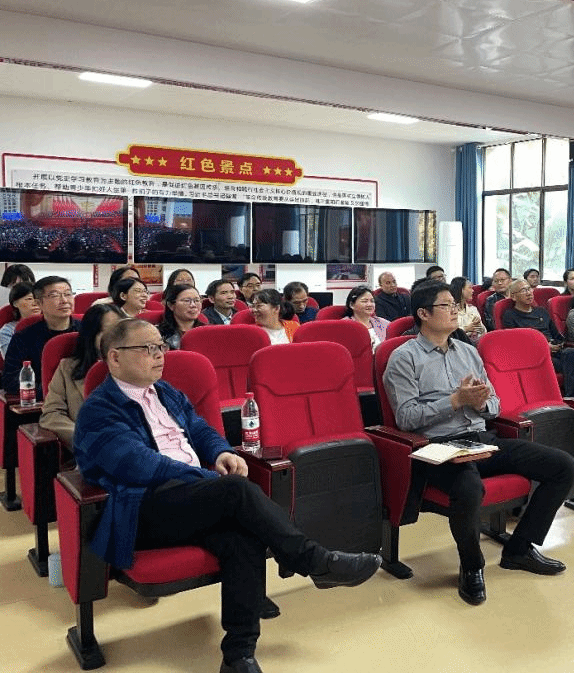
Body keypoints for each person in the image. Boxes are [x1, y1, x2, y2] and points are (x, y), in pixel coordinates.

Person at [74, 318, 381, 673]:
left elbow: (200, 428)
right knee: (234, 490)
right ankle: (314, 561)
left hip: (191, 500)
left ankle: (239, 654)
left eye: (161, 346)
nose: (160, 355)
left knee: (241, 538)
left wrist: (221, 451)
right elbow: (140, 466)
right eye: (148, 348)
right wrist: (208, 478)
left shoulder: (165, 392)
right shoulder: (100, 410)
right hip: (142, 508)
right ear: (114, 357)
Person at [382, 282, 574, 606]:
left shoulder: (468, 351)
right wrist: (455, 401)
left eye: (454, 305)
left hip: (480, 438)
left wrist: (481, 403)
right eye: (446, 306)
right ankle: (472, 566)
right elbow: (405, 418)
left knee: (562, 466)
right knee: (469, 487)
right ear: (423, 314)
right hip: (437, 446)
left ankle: (519, 549)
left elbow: (495, 405)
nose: (454, 311)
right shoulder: (403, 358)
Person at [40, 303, 122, 449]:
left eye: (120, 332)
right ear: (91, 335)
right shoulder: (67, 369)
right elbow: (52, 414)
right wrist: (85, 438)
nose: (116, 339)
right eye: (108, 332)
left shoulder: (138, 366)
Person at [3, 276, 80, 398]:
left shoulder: (88, 331)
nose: (64, 300)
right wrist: (52, 392)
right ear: (39, 303)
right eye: (55, 295)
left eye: (68, 294)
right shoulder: (23, 338)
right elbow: (10, 380)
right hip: (43, 400)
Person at [502, 279, 574, 397]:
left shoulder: (541, 311)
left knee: (572, 353)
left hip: (554, 350)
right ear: (513, 297)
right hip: (533, 355)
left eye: (529, 289)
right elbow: (515, 345)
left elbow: (557, 336)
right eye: (523, 290)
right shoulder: (510, 315)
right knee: (569, 363)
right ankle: (572, 397)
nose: (529, 293)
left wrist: (557, 345)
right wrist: (544, 347)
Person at [158, 283, 205, 350]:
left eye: (197, 300)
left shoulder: (208, 331)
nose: (193, 305)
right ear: (171, 305)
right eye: (187, 301)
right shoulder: (158, 334)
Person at [1, 282, 39, 358]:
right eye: (29, 299)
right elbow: (11, 358)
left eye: (38, 298)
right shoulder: (8, 331)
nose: (35, 303)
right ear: (15, 303)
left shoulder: (52, 324)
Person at [451, 276, 485, 343]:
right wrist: (466, 329)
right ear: (461, 290)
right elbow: (451, 333)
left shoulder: (473, 309)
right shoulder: (451, 311)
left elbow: (484, 331)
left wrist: (479, 327)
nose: (473, 291)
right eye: (470, 288)